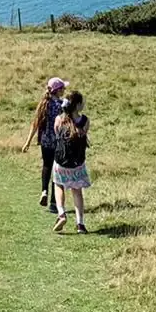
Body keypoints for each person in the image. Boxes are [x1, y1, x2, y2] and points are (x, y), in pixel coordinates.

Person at [21, 77, 68, 211]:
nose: (64, 90)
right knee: (57, 170)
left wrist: (28, 142)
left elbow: (35, 124)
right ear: (58, 91)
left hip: (45, 141)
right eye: (63, 88)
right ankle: (54, 203)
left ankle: (44, 191)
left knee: (46, 166)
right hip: (59, 142)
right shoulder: (62, 105)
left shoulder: (44, 104)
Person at [50, 90, 91, 234]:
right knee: (77, 191)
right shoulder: (85, 121)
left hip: (61, 161)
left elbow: (57, 135)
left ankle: (61, 213)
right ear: (78, 105)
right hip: (77, 163)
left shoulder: (59, 120)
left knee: (58, 185)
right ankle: (80, 224)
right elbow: (83, 134)